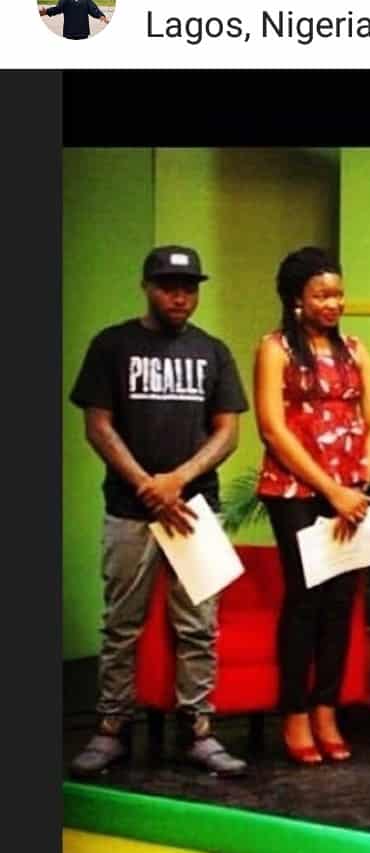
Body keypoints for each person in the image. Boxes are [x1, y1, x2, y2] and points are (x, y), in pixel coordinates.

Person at [69, 245, 249, 777]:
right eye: (169, 287)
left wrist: (177, 481)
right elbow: (98, 425)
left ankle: (199, 731)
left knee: (199, 626)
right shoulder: (112, 345)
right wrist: (147, 485)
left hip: (196, 512)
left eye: (189, 288)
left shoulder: (212, 351)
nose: (180, 297)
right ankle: (111, 729)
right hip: (130, 509)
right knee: (120, 625)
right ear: (146, 287)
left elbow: (228, 432)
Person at [254, 247, 370, 765]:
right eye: (321, 295)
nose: (334, 303)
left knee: (341, 601)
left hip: (352, 490)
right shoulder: (275, 349)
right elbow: (272, 427)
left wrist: (360, 482)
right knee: (305, 598)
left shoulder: (356, 350)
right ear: (297, 299)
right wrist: (332, 490)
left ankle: (326, 707)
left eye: (338, 294)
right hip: (296, 489)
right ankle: (294, 711)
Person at [39, 0, 108, 38]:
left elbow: (93, 9)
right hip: (69, 32)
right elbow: (58, 8)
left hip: (82, 32)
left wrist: (101, 15)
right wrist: (46, 11)